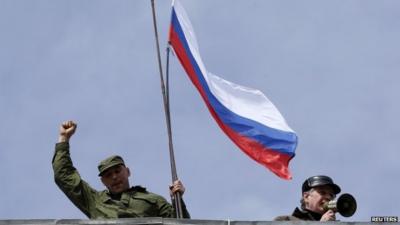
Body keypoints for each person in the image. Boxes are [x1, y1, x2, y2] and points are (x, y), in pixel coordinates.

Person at [52, 120, 190, 219]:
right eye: (108, 175)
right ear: (102, 181)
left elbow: (181, 223)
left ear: (128, 172)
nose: (114, 177)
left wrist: (177, 200)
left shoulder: (154, 200)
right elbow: (64, 176)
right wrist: (63, 138)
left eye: (117, 171)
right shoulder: (94, 201)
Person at [274, 175, 341, 221]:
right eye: (322, 193)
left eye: (332, 195)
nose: (328, 197)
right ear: (306, 197)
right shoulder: (286, 220)